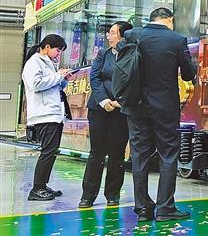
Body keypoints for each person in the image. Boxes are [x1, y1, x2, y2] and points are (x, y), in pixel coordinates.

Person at [122, 8, 197, 223]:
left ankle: (142, 208)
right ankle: (165, 208)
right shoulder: (176, 40)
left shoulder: (133, 36)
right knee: (168, 154)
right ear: (170, 20)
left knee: (139, 156)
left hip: (135, 106)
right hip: (164, 108)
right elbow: (188, 74)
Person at [79, 21, 132, 208]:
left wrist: (121, 101)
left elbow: (135, 80)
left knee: (117, 154)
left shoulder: (133, 55)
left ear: (123, 36)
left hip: (121, 110)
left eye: (113, 33)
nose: (109, 37)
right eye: (109, 33)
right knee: (97, 153)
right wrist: (104, 101)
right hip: (99, 109)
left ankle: (113, 194)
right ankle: (88, 196)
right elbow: (95, 78)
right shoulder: (103, 54)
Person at [22, 34, 74, 201]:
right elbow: (36, 84)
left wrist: (63, 80)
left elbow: (53, 87)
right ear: (47, 47)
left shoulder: (48, 64)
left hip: (53, 114)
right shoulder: (34, 63)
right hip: (44, 115)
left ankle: (42, 185)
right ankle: (37, 189)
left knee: (51, 152)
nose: (59, 54)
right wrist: (58, 75)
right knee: (48, 151)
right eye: (58, 50)